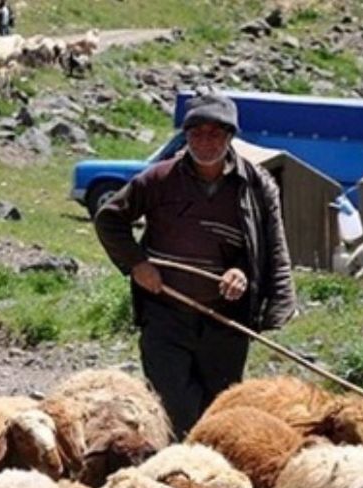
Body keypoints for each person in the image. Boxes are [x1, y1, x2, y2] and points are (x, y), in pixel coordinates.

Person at [93, 92, 296, 439]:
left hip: (225, 319)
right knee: (174, 407)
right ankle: (174, 477)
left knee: (219, 410)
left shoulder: (256, 185)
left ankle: (209, 481)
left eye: (214, 134)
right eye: (196, 134)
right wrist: (138, 264)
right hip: (165, 315)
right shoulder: (158, 179)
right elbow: (109, 219)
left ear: (231, 137)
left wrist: (243, 274)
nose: (204, 142)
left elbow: (270, 247)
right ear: (185, 136)